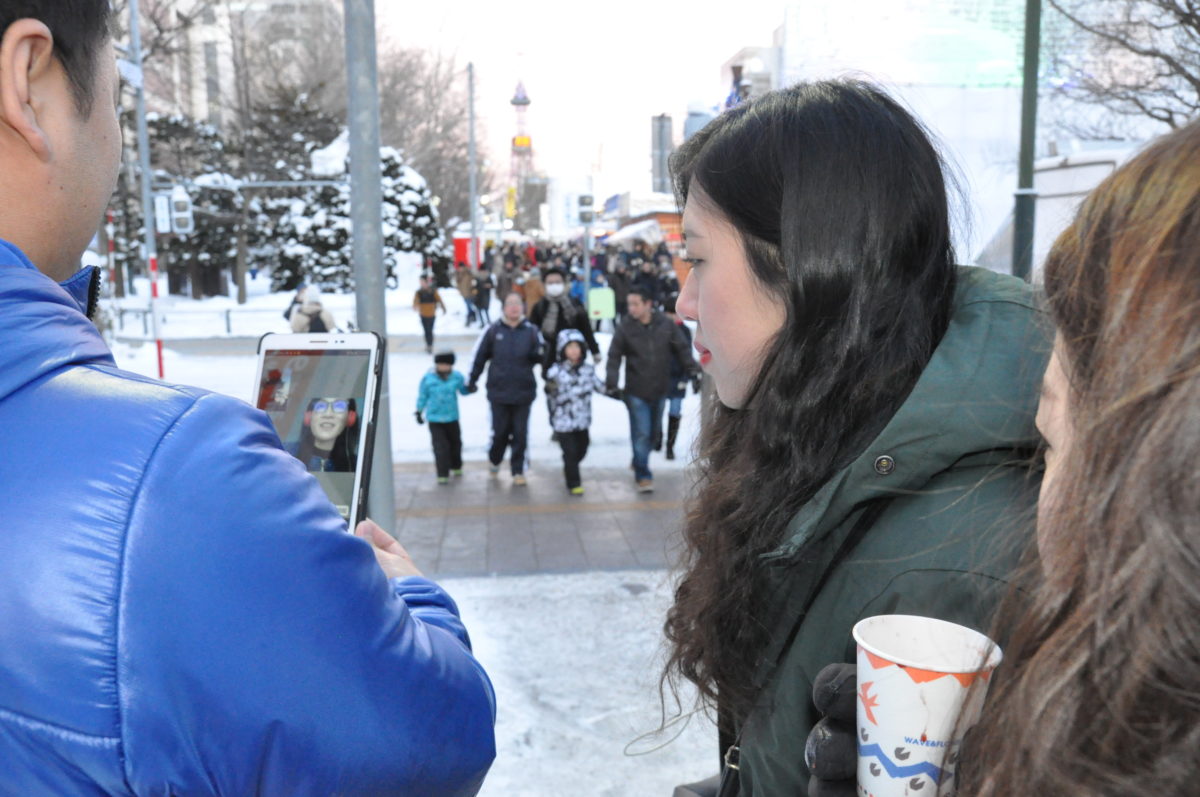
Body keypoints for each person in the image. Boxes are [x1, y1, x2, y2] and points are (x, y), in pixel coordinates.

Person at [0, 4, 496, 794]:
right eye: (119, 96)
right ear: (27, 81)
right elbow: (435, 739)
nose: (122, 141)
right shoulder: (183, 481)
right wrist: (412, 593)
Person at [661, 80, 1046, 797]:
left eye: (699, 259)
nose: (683, 300)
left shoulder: (952, 566)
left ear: (804, 266)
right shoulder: (827, 439)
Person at [605, 287, 699, 492]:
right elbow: (614, 356)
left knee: (654, 434)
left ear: (648, 304)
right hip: (635, 391)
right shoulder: (625, 327)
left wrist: (693, 371)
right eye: (629, 304)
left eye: (635, 304)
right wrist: (611, 383)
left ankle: (638, 459)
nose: (631, 308)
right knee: (641, 433)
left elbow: (682, 349)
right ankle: (643, 475)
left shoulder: (666, 325)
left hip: (660, 389)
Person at [469, 293, 543, 486]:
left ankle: (518, 470)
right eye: (510, 304)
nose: (514, 308)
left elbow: (542, 357)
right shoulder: (493, 330)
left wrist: (543, 356)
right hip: (498, 392)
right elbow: (479, 357)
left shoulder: (532, 331)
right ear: (503, 308)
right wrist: (472, 380)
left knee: (520, 433)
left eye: (517, 304)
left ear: (523, 308)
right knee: (500, 432)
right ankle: (495, 459)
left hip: (523, 392)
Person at [545, 329, 606, 495]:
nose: (573, 350)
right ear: (562, 349)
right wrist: (552, 416)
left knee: (582, 449)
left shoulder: (588, 370)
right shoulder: (555, 372)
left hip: (582, 421)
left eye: (577, 346)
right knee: (570, 451)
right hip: (563, 421)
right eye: (569, 346)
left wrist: (620, 394)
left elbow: (601, 387)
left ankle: (569, 464)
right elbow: (550, 396)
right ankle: (574, 482)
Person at [529, 266, 601, 376]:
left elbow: (586, 329)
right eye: (550, 283)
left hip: (575, 356)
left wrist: (594, 350)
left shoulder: (575, 304)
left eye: (557, 282)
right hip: (550, 357)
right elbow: (532, 333)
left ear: (564, 283)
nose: (554, 285)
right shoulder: (540, 306)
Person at [416, 351, 470, 484]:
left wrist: (471, 388)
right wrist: (419, 411)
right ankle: (442, 473)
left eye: (446, 364)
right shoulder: (428, 378)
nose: (443, 367)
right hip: (435, 419)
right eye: (440, 364)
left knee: (456, 443)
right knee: (440, 447)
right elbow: (422, 396)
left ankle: (456, 466)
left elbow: (463, 390)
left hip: (452, 417)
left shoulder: (457, 377)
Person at [289, 397, 358, 472]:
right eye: (321, 406)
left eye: (339, 407)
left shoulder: (357, 465)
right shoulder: (286, 454)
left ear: (350, 418)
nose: (328, 414)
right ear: (309, 416)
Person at [661, 296, 692, 460]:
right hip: (660, 378)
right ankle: (657, 438)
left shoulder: (684, 331)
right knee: (657, 412)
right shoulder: (659, 329)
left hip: (677, 378)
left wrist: (686, 378)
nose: (671, 317)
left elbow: (687, 356)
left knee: (674, 412)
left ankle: (670, 446)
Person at [413, 272, 446, 353]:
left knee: (430, 330)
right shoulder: (419, 292)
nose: (421, 283)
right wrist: (415, 306)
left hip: (431, 313)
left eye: (422, 281)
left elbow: (439, 299)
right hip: (423, 314)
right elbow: (415, 301)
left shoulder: (432, 291)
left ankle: (430, 345)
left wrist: (443, 308)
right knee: (426, 330)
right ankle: (428, 345)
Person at [456, 261, 478, 327]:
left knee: (469, 306)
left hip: (469, 293)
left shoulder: (468, 273)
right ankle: (472, 316)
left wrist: (473, 289)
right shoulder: (459, 274)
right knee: (468, 306)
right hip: (463, 293)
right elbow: (458, 283)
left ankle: (470, 318)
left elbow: (474, 280)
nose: (460, 269)